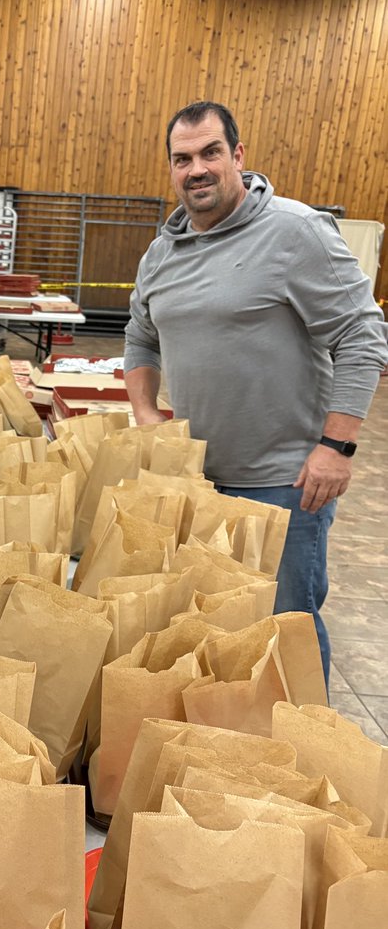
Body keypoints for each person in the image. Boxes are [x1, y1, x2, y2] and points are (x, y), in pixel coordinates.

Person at [123, 100, 388, 684]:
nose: (197, 169)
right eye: (182, 158)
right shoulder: (161, 252)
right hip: (194, 481)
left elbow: (363, 336)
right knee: (214, 633)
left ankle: (306, 754)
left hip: (283, 485)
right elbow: (140, 336)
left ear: (238, 156)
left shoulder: (294, 231)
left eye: (210, 152)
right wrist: (144, 412)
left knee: (283, 630)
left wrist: (336, 447)